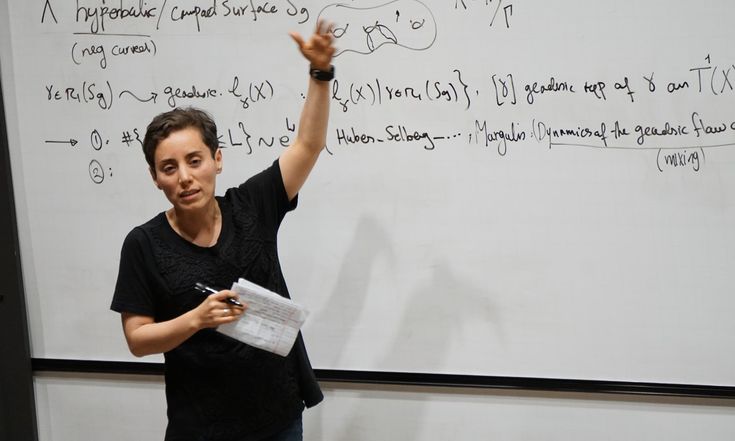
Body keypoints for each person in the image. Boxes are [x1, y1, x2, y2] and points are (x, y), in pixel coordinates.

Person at [110, 21, 335, 441]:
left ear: (217, 160)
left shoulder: (252, 206)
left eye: (194, 161)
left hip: (278, 416)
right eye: (169, 168)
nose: (185, 178)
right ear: (155, 178)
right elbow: (138, 339)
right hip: (202, 427)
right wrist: (197, 319)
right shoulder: (144, 244)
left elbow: (307, 145)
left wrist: (320, 74)